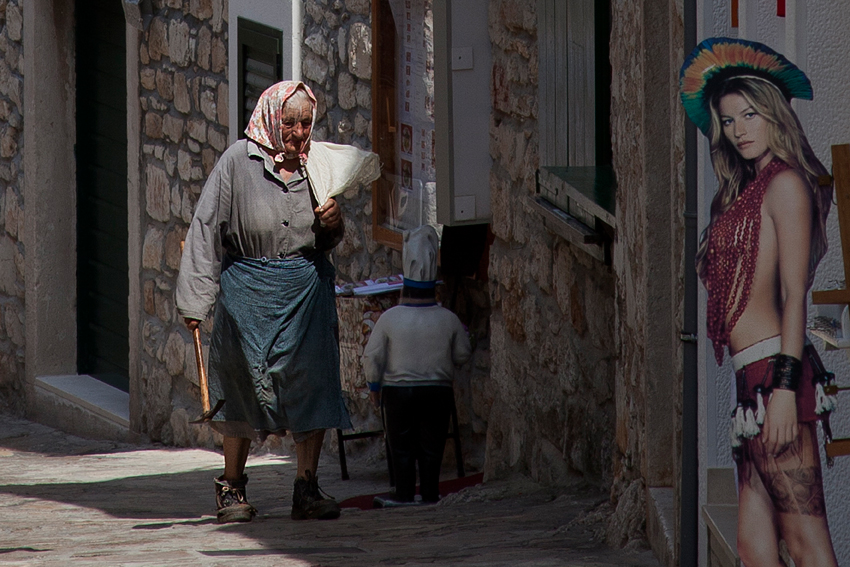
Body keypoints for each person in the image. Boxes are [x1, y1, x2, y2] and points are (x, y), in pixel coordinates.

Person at [176, 80, 379, 523]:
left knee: (313, 382)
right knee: (241, 385)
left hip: (306, 290)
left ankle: (306, 488)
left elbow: (328, 240)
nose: (298, 131)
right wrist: (195, 299)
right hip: (247, 291)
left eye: (305, 122)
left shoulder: (317, 165)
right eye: (289, 122)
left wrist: (333, 223)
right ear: (271, 118)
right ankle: (232, 487)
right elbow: (206, 227)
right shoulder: (238, 162)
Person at [681, 38, 838, 566]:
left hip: (778, 375)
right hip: (750, 382)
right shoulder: (744, 190)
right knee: (754, 548)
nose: (740, 130)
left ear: (773, 114)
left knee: (807, 545)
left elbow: (796, 295)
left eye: (750, 114)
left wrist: (787, 391)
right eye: (728, 121)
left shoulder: (787, 186)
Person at [363, 225, 472, 505]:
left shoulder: (389, 318)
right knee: (432, 445)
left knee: (401, 446)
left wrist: (374, 384)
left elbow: (372, 356)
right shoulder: (448, 318)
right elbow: (462, 355)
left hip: (398, 392)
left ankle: (402, 493)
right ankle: (430, 493)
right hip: (438, 391)